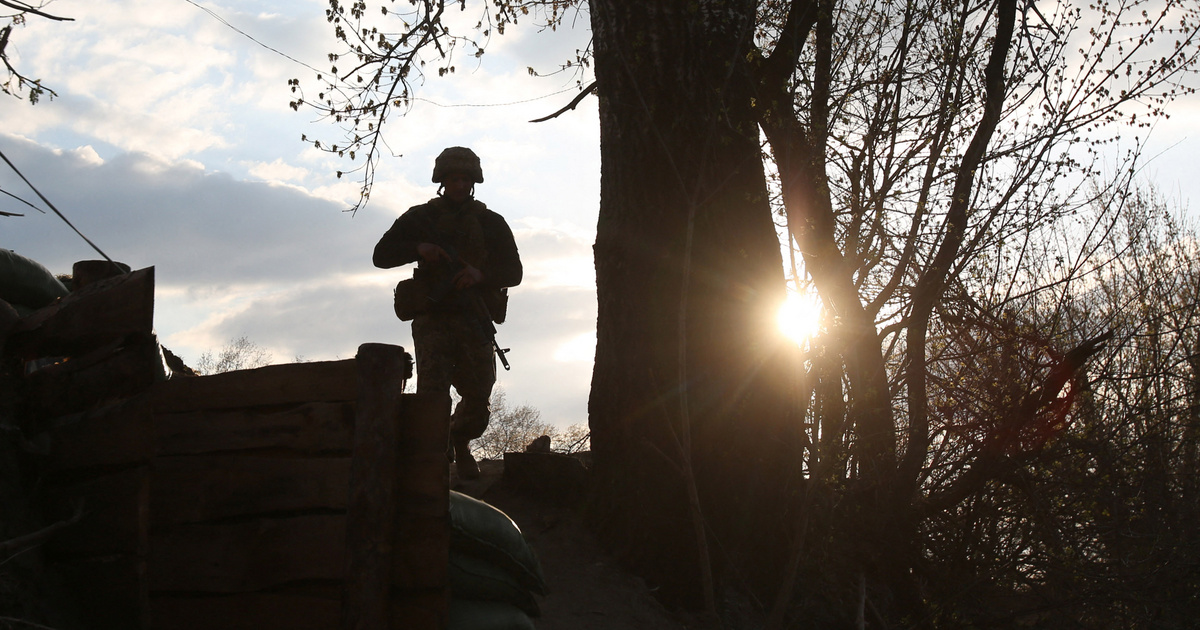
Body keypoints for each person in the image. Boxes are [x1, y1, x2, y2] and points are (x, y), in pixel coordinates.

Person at [373, 147, 522, 479]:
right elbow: (381, 255)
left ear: (474, 182)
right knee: (431, 397)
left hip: (474, 316)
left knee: (479, 398)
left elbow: (514, 271)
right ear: (442, 180)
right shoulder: (419, 218)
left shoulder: (490, 222)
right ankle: (431, 464)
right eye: (454, 178)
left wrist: (480, 275)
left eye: (465, 179)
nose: (460, 185)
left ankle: (459, 438)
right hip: (434, 318)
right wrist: (418, 248)